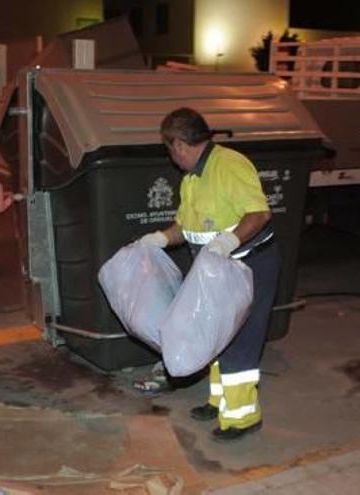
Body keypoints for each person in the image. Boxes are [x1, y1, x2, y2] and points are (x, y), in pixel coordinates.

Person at [138, 107, 281, 442]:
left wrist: (228, 241)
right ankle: (219, 403)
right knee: (215, 336)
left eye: (169, 148)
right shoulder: (193, 179)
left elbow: (259, 213)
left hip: (249, 265)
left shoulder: (229, 165)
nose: (171, 157)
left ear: (179, 145)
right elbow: (185, 226)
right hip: (217, 270)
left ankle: (243, 418)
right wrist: (160, 239)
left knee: (240, 342)